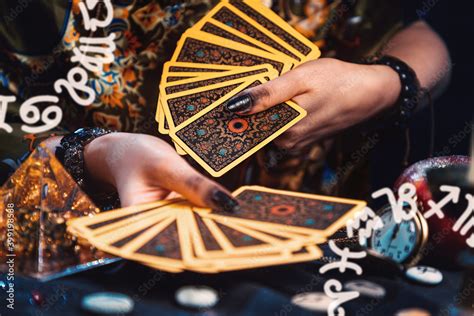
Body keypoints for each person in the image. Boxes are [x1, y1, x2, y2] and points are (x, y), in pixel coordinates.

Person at [0, 0, 450, 210]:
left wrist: (389, 81)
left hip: (296, 251)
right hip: (70, 262)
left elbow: (417, 30)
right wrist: (88, 155)